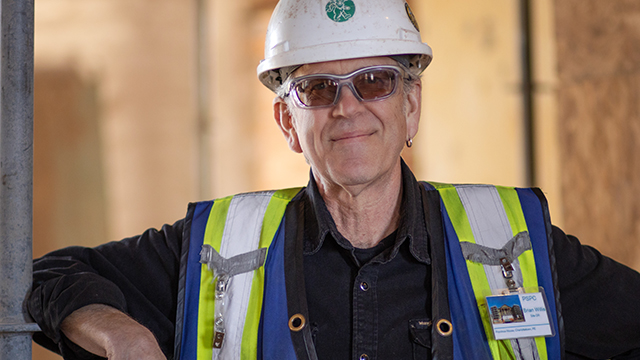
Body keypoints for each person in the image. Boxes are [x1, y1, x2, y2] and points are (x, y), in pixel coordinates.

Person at [29, 0, 640, 359]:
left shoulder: (516, 244)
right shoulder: (218, 245)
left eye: (374, 80)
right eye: (318, 89)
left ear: (412, 106)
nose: (348, 109)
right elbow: (43, 275)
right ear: (288, 122)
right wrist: (121, 336)